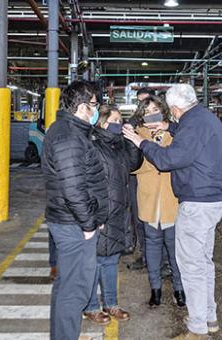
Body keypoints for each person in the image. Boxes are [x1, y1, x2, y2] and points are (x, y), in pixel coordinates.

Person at [122, 84, 222, 340]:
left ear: (174, 109)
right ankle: (208, 318)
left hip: (197, 203)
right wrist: (167, 128)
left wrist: (141, 142)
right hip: (213, 201)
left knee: (191, 268)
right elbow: (188, 139)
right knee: (203, 263)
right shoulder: (204, 118)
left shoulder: (192, 125)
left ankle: (197, 330)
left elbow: (169, 159)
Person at [43, 81, 108, 340]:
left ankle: (63, 334)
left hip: (70, 221)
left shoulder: (69, 131)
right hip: (74, 226)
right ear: (82, 107)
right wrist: (89, 224)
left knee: (66, 285)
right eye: (94, 105)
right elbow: (73, 189)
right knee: (75, 290)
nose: (97, 109)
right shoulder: (69, 137)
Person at [83, 105, 143, 325]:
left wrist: (131, 140)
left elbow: (134, 164)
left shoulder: (118, 145)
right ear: (103, 122)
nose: (120, 123)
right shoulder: (93, 145)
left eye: (121, 119)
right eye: (116, 119)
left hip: (118, 212)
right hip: (101, 214)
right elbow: (87, 184)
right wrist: (92, 215)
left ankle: (111, 303)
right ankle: (91, 306)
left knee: (110, 260)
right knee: (94, 262)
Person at [132, 95, 185, 308]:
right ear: (141, 115)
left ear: (162, 110)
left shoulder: (176, 132)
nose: (151, 113)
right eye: (146, 110)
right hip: (149, 199)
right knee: (152, 247)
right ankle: (155, 289)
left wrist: (168, 130)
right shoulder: (137, 134)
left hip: (172, 199)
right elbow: (133, 166)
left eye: (155, 108)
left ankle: (179, 289)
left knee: (175, 249)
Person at [126, 87, 156, 271]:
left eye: (147, 101)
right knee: (139, 218)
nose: (143, 105)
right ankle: (146, 256)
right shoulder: (133, 122)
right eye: (140, 102)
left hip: (160, 178)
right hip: (138, 177)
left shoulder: (165, 123)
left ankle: (163, 260)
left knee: (160, 220)